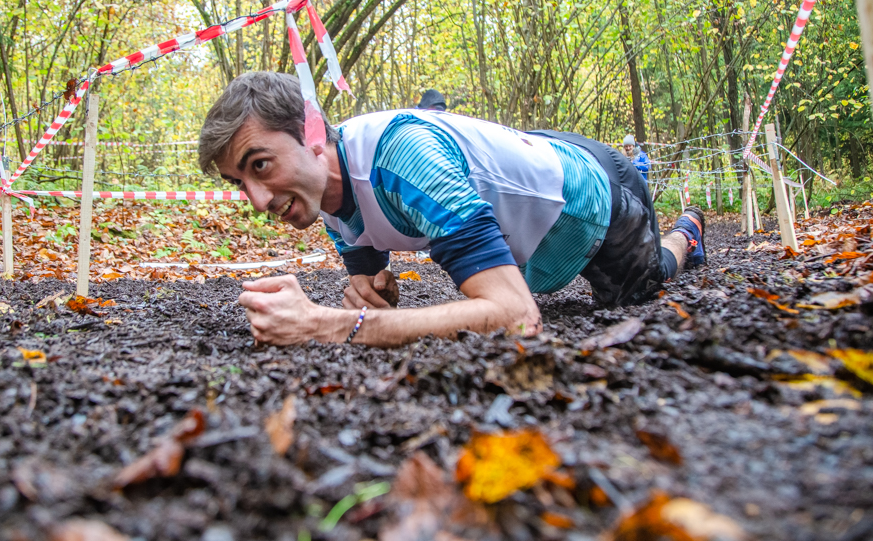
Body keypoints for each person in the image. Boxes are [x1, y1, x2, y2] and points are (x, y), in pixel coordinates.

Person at [198, 72, 707, 348]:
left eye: (259, 165)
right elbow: (373, 287)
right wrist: (371, 294)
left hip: (594, 201)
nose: (258, 201)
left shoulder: (402, 161)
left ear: (311, 136)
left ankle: (689, 230)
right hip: (540, 162)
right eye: (238, 183)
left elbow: (516, 317)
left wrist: (325, 324)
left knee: (645, 288)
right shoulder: (322, 196)